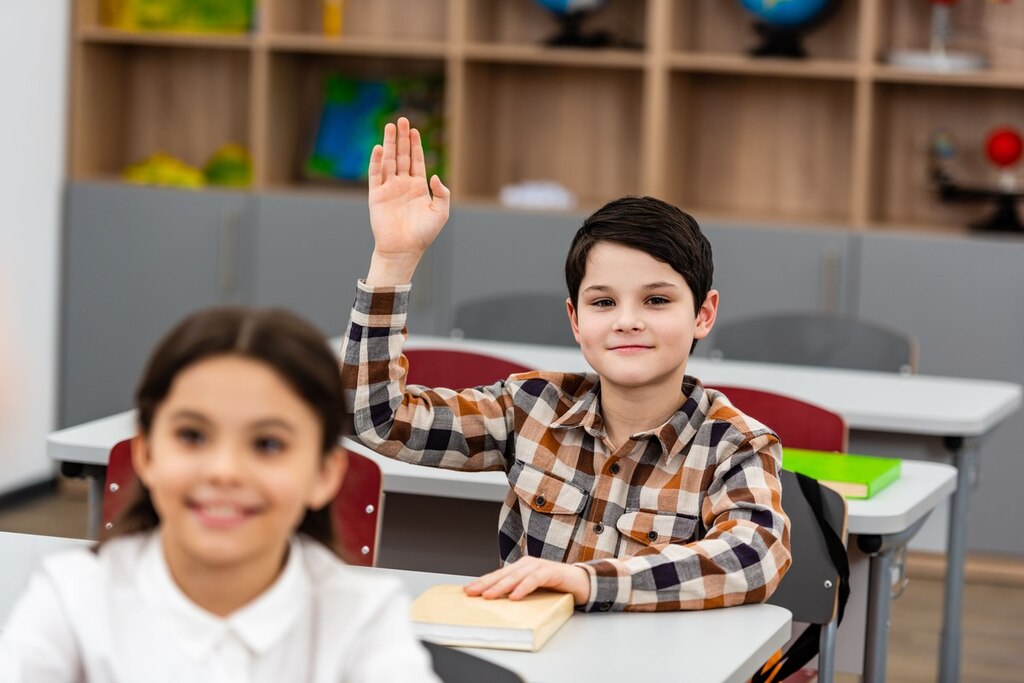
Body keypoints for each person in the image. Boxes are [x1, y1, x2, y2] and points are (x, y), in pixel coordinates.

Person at [342, 117, 791, 613]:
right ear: (575, 321)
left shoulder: (736, 445)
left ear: (703, 315)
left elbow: (754, 557)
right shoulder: (531, 408)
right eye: (603, 303)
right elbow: (377, 420)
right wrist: (393, 259)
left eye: (657, 300)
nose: (627, 321)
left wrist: (585, 581)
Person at [0, 306, 440, 682]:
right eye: (192, 436)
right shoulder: (73, 598)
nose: (225, 471)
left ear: (324, 474)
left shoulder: (362, 620)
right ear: (146, 455)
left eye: (268, 444)